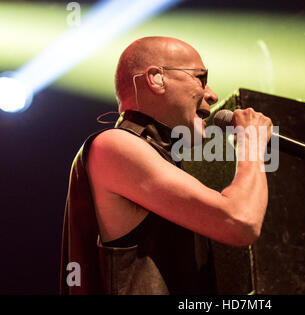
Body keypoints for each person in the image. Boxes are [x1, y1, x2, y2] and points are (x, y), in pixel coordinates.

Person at [60, 36, 272, 295]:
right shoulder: (114, 146)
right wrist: (252, 143)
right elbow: (241, 222)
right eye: (201, 79)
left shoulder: (163, 158)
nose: (212, 95)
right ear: (156, 79)